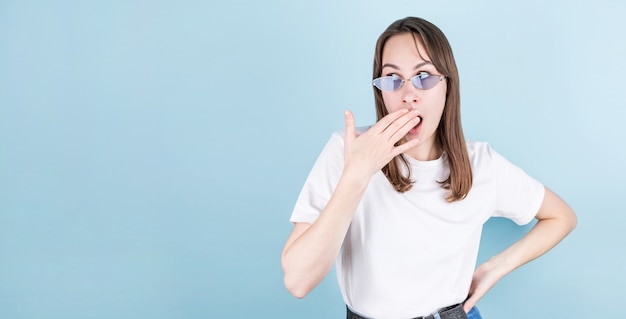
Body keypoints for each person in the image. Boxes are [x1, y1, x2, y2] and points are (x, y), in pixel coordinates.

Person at [281, 16, 576, 319]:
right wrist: (357, 174)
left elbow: (561, 217)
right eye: (393, 79)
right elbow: (298, 281)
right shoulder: (346, 152)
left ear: (447, 86)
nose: (408, 94)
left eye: (423, 76)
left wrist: (494, 268)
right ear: (380, 90)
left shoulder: (482, 165)